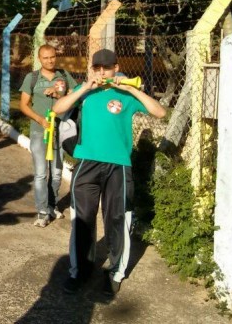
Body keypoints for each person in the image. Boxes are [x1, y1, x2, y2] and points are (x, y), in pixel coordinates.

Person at [53, 49, 166, 297]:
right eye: (98, 68)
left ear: (116, 67)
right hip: (87, 162)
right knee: (82, 219)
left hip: (118, 165)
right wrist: (84, 88)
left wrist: (131, 89)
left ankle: (115, 273)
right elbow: (59, 108)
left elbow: (159, 112)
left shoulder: (125, 94)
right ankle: (79, 271)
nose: (102, 72)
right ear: (93, 69)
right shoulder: (87, 92)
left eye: (107, 68)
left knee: (117, 218)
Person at [19, 44, 77, 228]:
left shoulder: (64, 76)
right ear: (39, 59)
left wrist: (59, 92)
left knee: (57, 173)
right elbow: (24, 105)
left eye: (52, 57)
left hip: (61, 131)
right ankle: (42, 212)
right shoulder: (32, 78)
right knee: (41, 174)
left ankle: (52, 206)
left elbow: (75, 94)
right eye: (45, 58)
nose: (50, 60)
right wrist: (39, 120)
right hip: (39, 132)